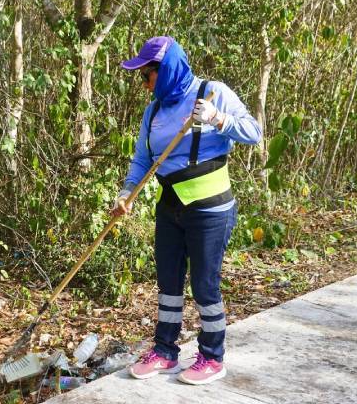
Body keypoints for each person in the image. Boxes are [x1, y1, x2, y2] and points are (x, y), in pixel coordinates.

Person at [111, 36, 262, 385]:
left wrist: (218, 119)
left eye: (147, 75)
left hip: (209, 206)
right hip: (169, 206)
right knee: (168, 283)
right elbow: (142, 160)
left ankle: (212, 356)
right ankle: (165, 350)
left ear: (165, 71)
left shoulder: (213, 92)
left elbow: (254, 133)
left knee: (204, 285)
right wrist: (126, 194)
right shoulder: (154, 111)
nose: (144, 84)